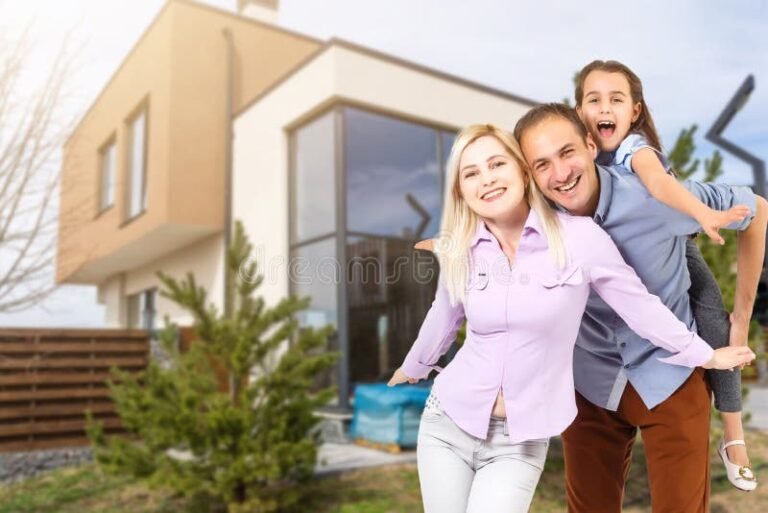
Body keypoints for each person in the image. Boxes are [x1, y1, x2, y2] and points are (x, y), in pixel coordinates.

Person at [387, 123, 755, 513]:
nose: (487, 180)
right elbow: (443, 316)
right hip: (448, 420)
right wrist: (414, 367)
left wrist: (705, 355)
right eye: (471, 173)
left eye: (497, 164)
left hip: (519, 438)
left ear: (521, 171)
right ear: (461, 190)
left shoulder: (579, 239)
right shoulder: (462, 249)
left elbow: (639, 307)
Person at [513, 103, 767, 513]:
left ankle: (732, 437)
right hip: (590, 380)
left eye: (567, 153)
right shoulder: (535, 227)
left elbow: (755, 209)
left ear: (591, 145)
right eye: (542, 164)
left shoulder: (656, 199)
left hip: (671, 372)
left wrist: (742, 314)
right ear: (530, 176)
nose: (559, 174)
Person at [573, 59, 756, 491]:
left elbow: (657, 184)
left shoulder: (637, 150)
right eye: (593, 99)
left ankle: (733, 436)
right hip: (598, 366)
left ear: (635, 110)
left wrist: (702, 214)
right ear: (579, 110)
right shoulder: (570, 162)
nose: (604, 107)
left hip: (680, 234)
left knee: (717, 324)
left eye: (616, 99)